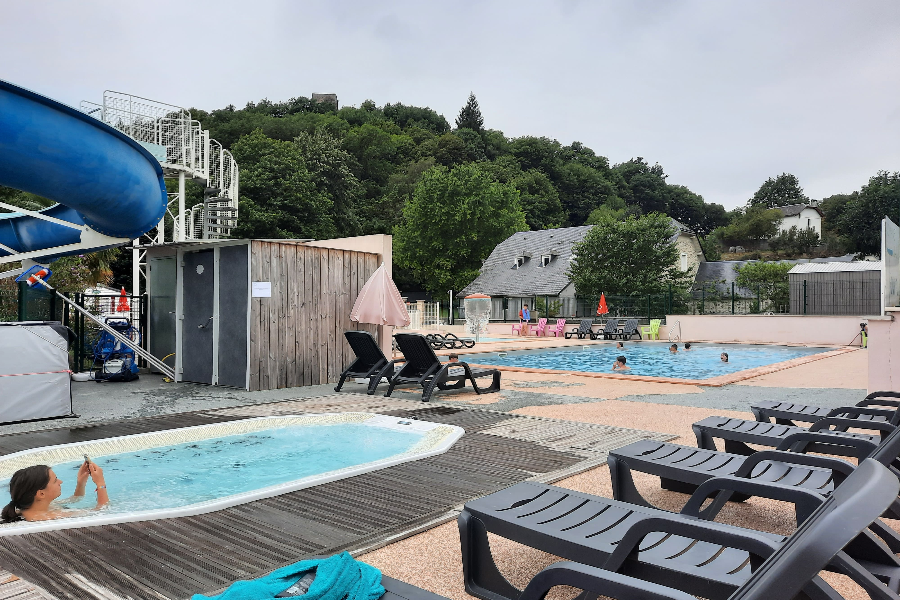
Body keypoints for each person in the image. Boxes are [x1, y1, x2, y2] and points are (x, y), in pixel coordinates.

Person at [1, 461, 108, 523]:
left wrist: (81, 482)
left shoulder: (31, 509)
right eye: (55, 480)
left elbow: (74, 500)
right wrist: (100, 483)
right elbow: (102, 511)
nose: (60, 482)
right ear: (41, 494)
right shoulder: (52, 516)